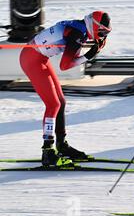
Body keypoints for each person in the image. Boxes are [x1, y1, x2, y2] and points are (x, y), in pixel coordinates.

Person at [19, 11, 112, 167]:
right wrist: (89, 55)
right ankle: (47, 152)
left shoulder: (80, 28)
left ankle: (61, 146)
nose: (103, 36)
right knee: (53, 104)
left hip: (38, 57)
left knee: (60, 101)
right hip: (32, 59)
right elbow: (65, 65)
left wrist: (89, 51)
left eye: (106, 33)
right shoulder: (78, 34)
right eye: (102, 32)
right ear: (95, 27)